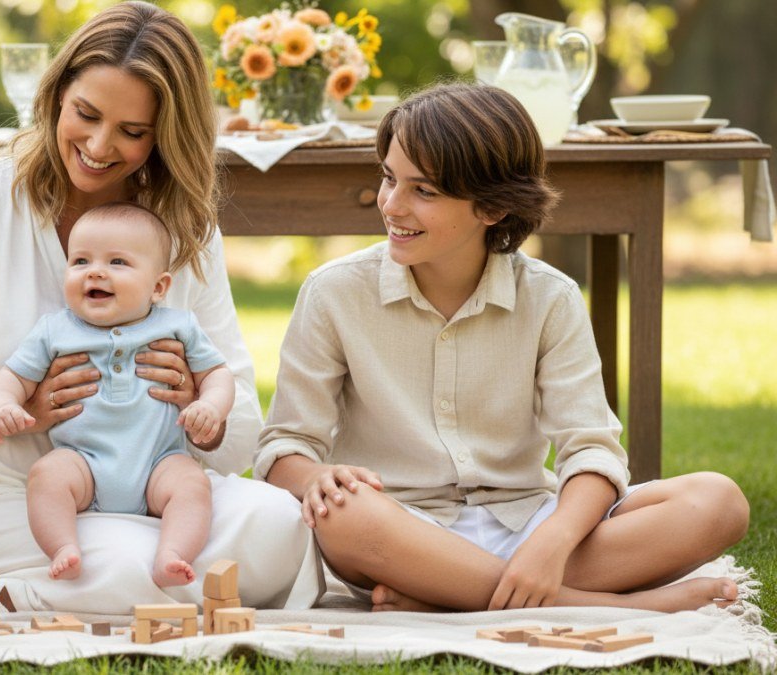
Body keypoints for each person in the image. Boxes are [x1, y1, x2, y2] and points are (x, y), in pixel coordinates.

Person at [0, 1, 317, 613]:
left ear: (166, 135)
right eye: (85, 114)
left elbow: (235, 417)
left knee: (281, 524)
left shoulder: (184, 230)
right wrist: (6, 407)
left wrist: (197, 400)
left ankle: (76, 584)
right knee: (131, 560)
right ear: (56, 97)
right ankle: (26, 588)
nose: (100, 146)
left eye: (133, 132)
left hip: (152, 490)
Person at [258, 83, 750, 613]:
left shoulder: (550, 298)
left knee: (719, 502)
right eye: (388, 178)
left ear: (493, 208)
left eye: (422, 191)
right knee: (341, 513)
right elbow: (284, 445)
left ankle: (449, 597)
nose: (391, 205)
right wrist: (316, 477)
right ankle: (601, 605)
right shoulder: (333, 292)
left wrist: (555, 539)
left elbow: (591, 450)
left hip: (527, 526)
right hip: (397, 535)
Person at [0, 203, 234, 587]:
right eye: (80, 261)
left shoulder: (178, 325)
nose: (95, 271)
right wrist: (3, 405)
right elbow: (11, 378)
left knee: (191, 485)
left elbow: (218, 374)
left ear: (158, 287)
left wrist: (209, 405)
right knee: (47, 476)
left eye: (117, 262)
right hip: (82, 462)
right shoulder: (55, 330)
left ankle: (171, 554)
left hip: (159, 461)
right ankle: (63, 548)